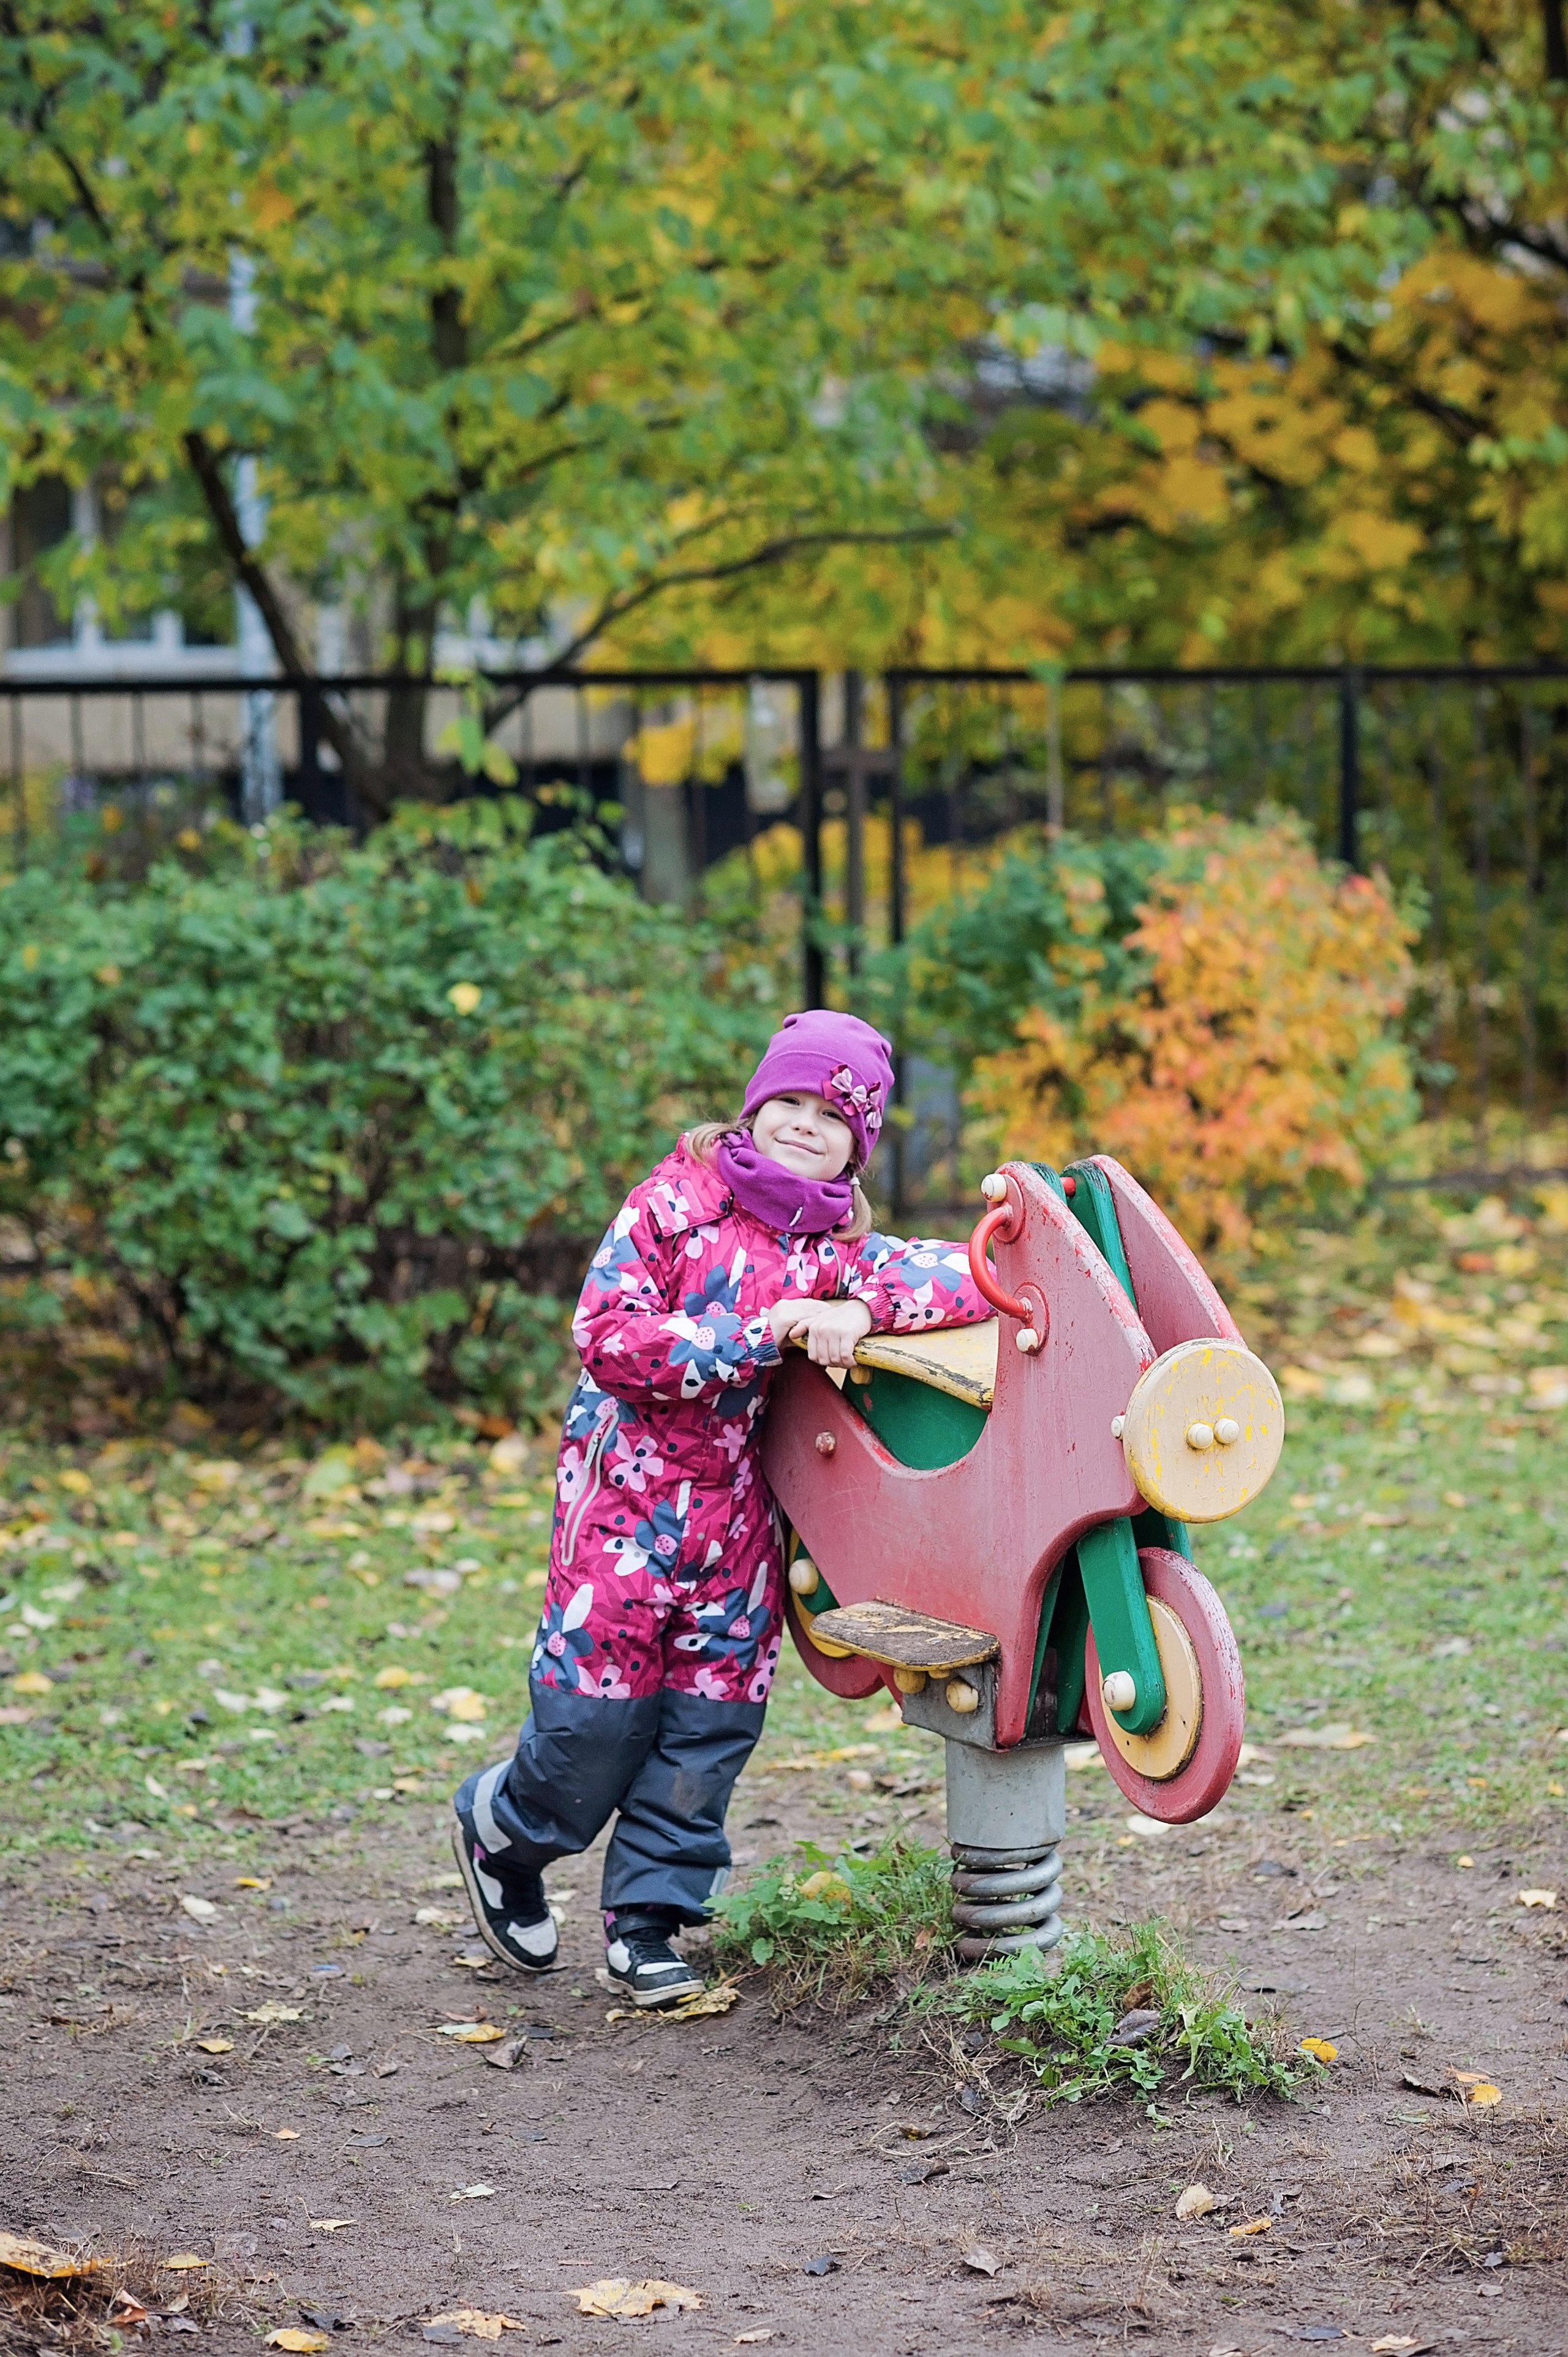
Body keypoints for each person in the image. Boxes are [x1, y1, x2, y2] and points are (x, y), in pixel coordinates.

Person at [450, 1011, 986, 2007]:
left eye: (833, 1116)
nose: (803, 1124)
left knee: (709, 1725)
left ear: (858, 1144)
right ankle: (504, 1830)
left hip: (739, 1520)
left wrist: (858, 1311)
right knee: (591, 1730)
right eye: (788, 1101)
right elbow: (609, 1335)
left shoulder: (836, 1247)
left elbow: (963, 1275)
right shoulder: (672, 1206)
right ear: (754, 1104)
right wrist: (759, 1332)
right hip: (625, 1508)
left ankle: (647, 1921)